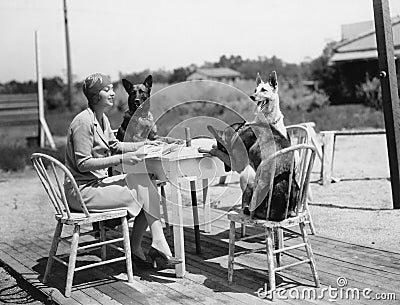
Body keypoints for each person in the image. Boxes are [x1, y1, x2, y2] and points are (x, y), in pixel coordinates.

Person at [64, 72, 181, 268]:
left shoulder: (101, 118)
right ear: (94, 96)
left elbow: (116, 145)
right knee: (146, 188)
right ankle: (154, 246)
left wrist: (147, 147)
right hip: (81, 191)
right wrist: (122, 159)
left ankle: (149, 247)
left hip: (96, 185)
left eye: (112, 89)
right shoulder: (83, 122)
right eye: (106, 90)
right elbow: (83, 163)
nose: (112, 93)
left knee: (149, 182)